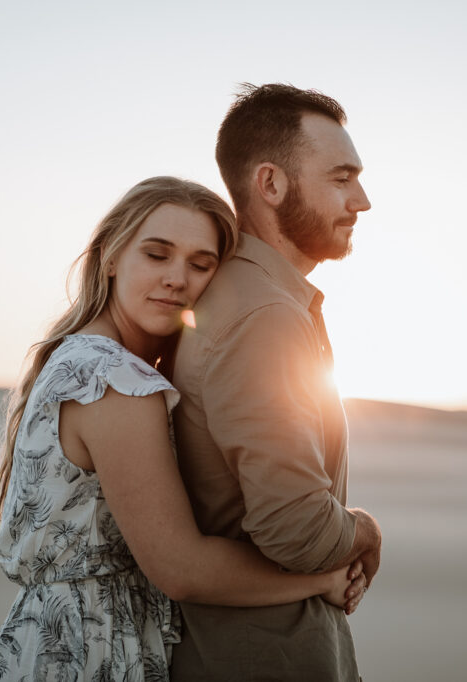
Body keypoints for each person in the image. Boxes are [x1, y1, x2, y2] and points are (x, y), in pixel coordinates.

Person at [0, 176, 367, 682]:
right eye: (157, 255)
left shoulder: (83, 358)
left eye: (201, 264)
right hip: (89, 649)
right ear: (112, 256)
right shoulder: (113, 380)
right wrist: (319, 579)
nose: (177, 279)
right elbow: (181, 569)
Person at [170, 85, 383, 681]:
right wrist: (364, 529)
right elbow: (294, 528)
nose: (361, 200)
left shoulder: (256, 300)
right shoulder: (264, 315)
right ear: (271, 184)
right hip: (265, 657)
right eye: (341, 178)